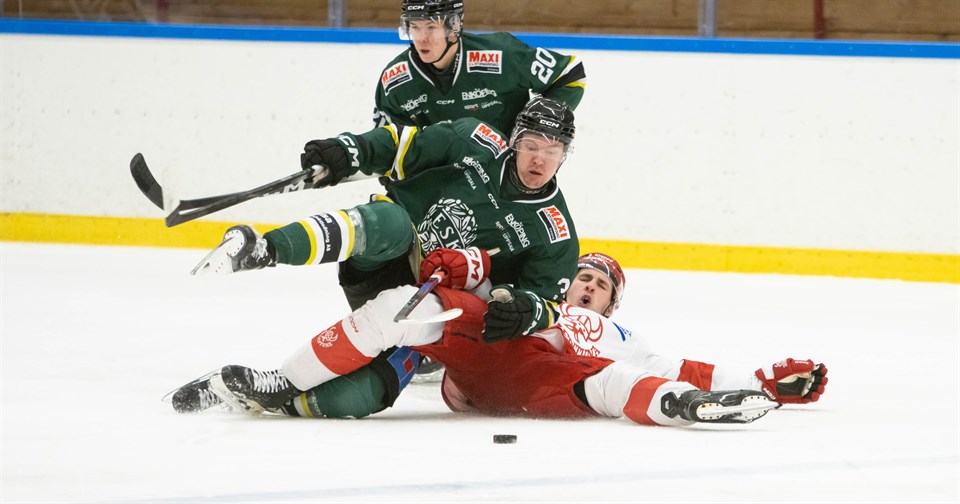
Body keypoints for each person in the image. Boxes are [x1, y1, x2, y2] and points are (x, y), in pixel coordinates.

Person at [178, 97, 581, 417]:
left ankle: (269, 398)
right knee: (390, 220)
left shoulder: (556, 233)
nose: (539, 160)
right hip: (385, 258)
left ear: (564, 155)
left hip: (427, 309)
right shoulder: (474, 140)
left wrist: (523, 309)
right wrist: (350, 151)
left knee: (363, 395)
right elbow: (400, 146)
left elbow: (547, 303)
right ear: (514, 140)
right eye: (531, 146)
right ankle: (265, 249)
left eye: (553, 150)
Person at [175, 250, 828, 426]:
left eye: (602, 283)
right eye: (584, 276)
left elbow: (679, 362)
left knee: (618, 380)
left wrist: (762, 383)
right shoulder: (530, 292)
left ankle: (686, 410)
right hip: (474, 356)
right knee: (399, 311)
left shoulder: (614, 332)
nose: (589, 286)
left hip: (538, 383)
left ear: (614, 301)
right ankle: (269, 385)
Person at [373, 0, 586, 133]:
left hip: (502, 175)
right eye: (414, 27)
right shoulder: (395, 79)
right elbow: (387, 145)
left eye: (430, 27)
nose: (422, 38)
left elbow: (569, 74)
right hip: (439, 181)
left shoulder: (501, 55)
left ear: (454, 26)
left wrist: (537, 130)